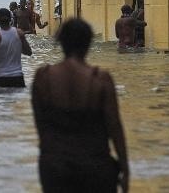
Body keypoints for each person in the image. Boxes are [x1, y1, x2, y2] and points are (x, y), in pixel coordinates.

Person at [32, 18, 129, 192]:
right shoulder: (101, 79)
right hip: (95, 166)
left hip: (55, 166)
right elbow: (115, 127)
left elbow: (41, 126)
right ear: (88, 43)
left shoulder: (43, 77)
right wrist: (125, 169)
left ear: (61, 42)